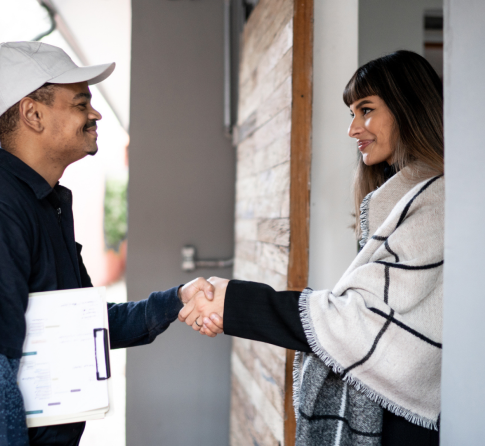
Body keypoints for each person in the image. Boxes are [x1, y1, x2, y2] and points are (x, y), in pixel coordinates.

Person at [0, 41, 214, 446]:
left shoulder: (41, 204)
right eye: (80, 103)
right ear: (33, 114)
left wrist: (175, 301)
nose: (94, 114)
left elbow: (79, 326)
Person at [181, 50, 445, 446]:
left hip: (406, 426)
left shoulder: (436, 201)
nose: (353, 129)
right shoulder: (397, 198)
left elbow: (359, 323)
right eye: (351, 114)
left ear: (408, 108)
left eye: (366, 110)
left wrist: (232, 302)